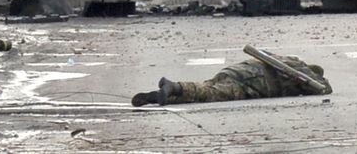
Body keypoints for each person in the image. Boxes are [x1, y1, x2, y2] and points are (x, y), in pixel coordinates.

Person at [131, 55, 331, 106]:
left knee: (206, 90)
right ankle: (175, 87)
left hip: (236, 71)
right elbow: (325, 89)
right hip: (252, 82)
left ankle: (160, 96)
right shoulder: (303, 74)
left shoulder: (288, 60)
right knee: (211, 94)